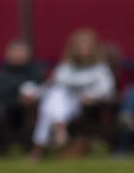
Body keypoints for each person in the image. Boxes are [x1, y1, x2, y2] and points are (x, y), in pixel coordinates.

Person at [32, 29, 115, 158]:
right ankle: (59, 125)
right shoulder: (65, 67)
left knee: (49, 107)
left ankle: (38, 149)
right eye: (79, 46)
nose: (83, 49)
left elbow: (107, 89)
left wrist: (92, 97)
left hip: (82, 105)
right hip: (63, 103)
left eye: (86, 45)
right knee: (55, 95)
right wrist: (32, 93)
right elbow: (51, 84)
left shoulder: (100, 68)